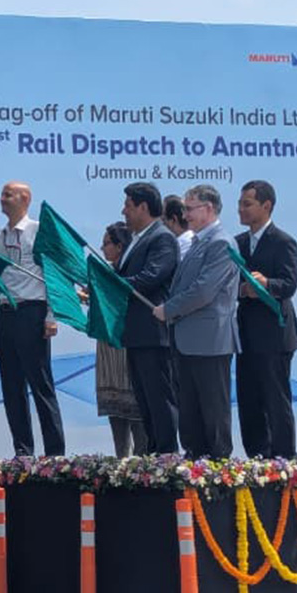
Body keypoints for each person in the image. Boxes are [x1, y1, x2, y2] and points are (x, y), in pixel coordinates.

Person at [153, 184, 239, 458]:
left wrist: (169, 309)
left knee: (213, 409)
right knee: (190, 409)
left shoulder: (221, 242)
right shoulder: (198, 241)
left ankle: (217, 467)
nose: (185, 215)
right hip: (188, 339)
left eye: (190, 209)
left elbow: (203, 290)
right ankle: (195, 461)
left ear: (209, 208)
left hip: (210, 340)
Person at [0, 181, 65, 457]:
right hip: (5, 313)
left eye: (7, 194)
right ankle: (23, 451)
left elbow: (54, 276)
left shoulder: (38, 231)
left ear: (25, 199)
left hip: (32, 312)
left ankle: (55, 453)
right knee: (11, 384)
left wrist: (51, 316)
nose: (2, 199)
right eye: (2, 194)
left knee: (40, 383)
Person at [234, 180, 297, 459]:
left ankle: (284, 459)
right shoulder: (236, 244)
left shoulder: (283, 241)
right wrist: (241, 289)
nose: (241, 209)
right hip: (245, 333)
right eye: (240, 204)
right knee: (249, 401)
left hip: (274, 334)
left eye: (247, 204)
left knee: (276, 401)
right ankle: (257, 459)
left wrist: (265, 284)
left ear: (266, 205)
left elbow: (289, 284)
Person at [116, 181, 179, 453]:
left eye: (128, 206)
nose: (123, 211)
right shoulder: (135, 240)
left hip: (154, 333)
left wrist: (113, 284)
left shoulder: (162, 237)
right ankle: (153, 456)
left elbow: (152, 276)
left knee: (160, 400)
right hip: (136, 333)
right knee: (144, 401)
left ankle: (166, 455)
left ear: (143, 206)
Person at [95, 223, 148, 455]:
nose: (103, 248)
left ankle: (142, 463)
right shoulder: (106, 274)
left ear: (119, 246)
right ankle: (121, 461)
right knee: (114, 408)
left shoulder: (131, 273)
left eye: (106, 243)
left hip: (127, 343)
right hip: (107, 348)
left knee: (135, 406)